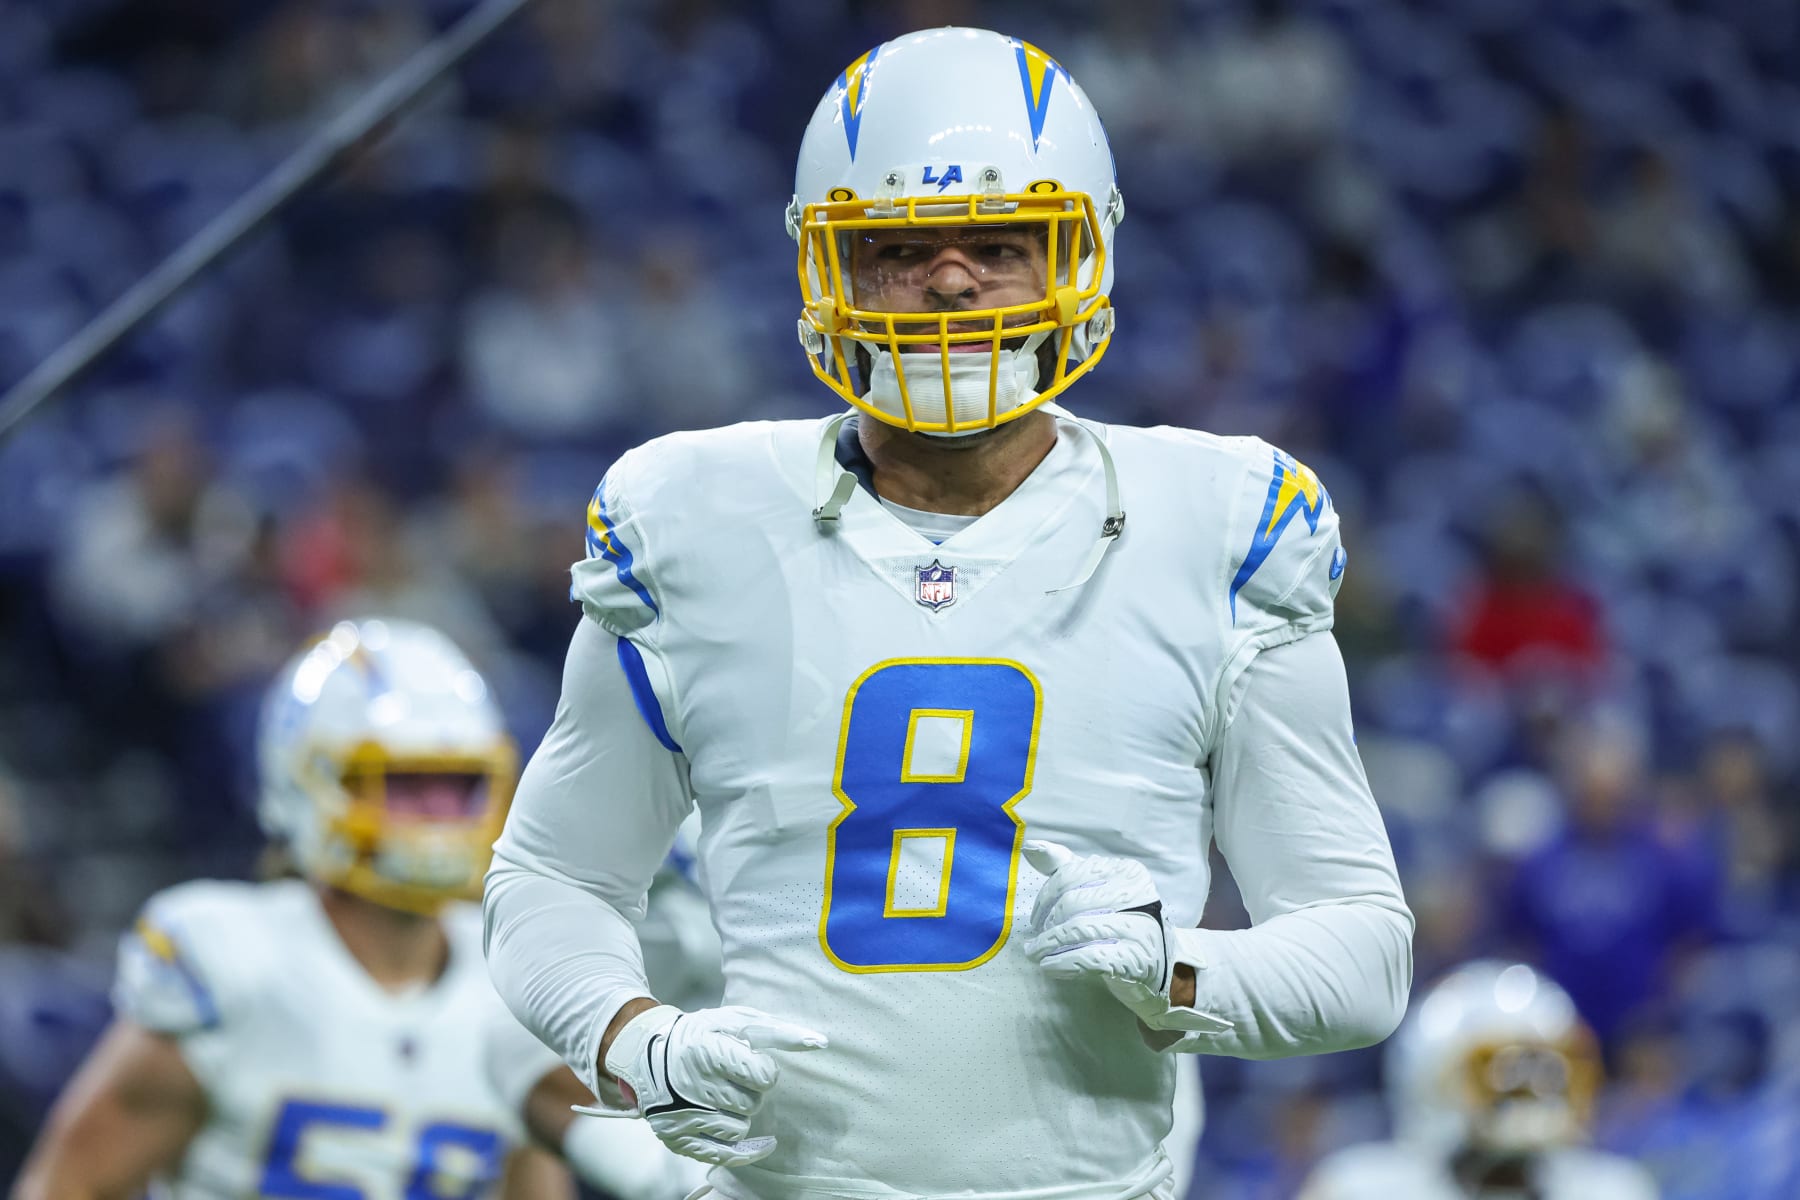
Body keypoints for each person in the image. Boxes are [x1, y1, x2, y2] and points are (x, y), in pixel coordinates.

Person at [483, 26, 1412, 1200]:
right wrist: (630, 1037)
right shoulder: (693, 517)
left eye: (1001, 245)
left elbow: (1362, 948)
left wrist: (1180, 974)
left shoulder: (1217, 522)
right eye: (900, 247)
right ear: (828, 268)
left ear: (1081, 251)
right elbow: (554, 877)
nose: (955, 280)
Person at [14, 618, 701, 1200]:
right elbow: (67, 1186)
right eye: (405, 787)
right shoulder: (233, 963)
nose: (435, 820)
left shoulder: (515, 979)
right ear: (308, 783)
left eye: (456, 788)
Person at [1300, 961, 1659, 1199]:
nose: (1533, 1090)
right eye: (1504, 1073)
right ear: (1431, 1081)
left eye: (1550, 1071)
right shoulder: (1361, 1187)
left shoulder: (1611, 1189)